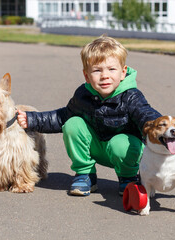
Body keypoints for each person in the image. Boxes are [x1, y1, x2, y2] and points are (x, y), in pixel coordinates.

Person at [17, 36, 162, 196]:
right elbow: (62, 117)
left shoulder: (131, 97)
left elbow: (145, 113)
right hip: (96, 147)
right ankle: (85, 175)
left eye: (111, 69)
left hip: (124, 152)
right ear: (86, 76)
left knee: (120, 143)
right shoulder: (83, 94)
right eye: (97, 70)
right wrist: (32, 119)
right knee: (72, 124)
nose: (105, 75)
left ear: (123, 72)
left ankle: (128, 177)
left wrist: (161, 127)